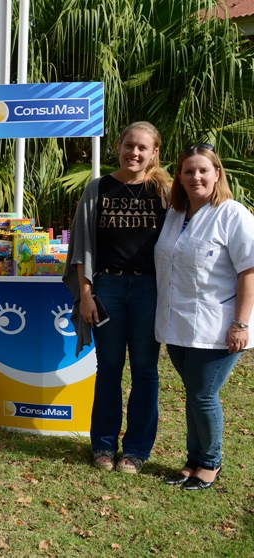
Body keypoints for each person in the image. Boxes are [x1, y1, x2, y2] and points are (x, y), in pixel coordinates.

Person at [63, 121, 170, 474]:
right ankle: (104, 446)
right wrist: (86, 295)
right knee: (107, 369)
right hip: (107, 288)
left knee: (144, 370)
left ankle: (136, 450)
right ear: (118, 147)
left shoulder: (166, 192)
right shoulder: (98, 189)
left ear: (154, 152)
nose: (134, 153)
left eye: (142, 148)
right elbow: (81, 247)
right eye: (129, 145)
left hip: (149, 290)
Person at [154, 143, 254, 490]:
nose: (196, 176)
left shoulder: (233, 214)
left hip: (219, 326)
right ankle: (193, 460)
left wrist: (241, 324)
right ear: (179, 178)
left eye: (203, 170)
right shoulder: (175, 216)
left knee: (203, 394)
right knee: (194, 391)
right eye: (188, 171)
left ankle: (210, 463)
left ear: (217, 174)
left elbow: (249, 271)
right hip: (179, 323)